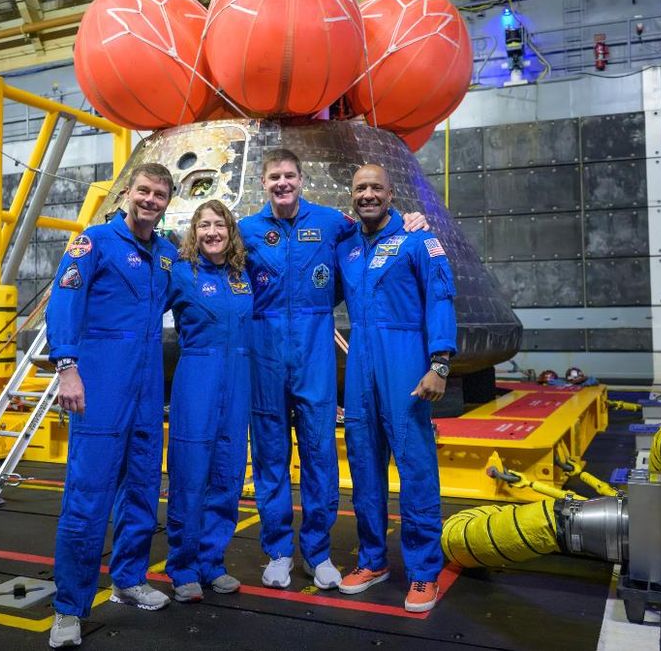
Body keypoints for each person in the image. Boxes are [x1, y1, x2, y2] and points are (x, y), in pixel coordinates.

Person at [238, 149, 427, 590]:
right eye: (274, 178)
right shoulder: (245, 232)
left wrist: (413, 219)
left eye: (289, 175)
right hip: (264, 353)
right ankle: (280, 551)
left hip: (315, 352)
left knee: (320, 456)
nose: (282, 183)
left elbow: (376, 228)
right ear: (263, 183)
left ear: (302, 179)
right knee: (270, 458)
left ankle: (318, 552)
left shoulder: (331, 224)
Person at [46, 163, 177, 648]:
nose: (150, 200)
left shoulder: (166, 254)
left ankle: (128, 578)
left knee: (142, 487)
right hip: (100, 382)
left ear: (167, 202)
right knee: (88, 497)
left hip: (146, 388)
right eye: (144, 191)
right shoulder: (93, 241)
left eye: (159, 194)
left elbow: (208, 275)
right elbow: (64, 302)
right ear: (128, 193)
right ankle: (68, 607)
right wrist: (67, 366)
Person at [335, 164, 457, 613]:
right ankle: (372, 561)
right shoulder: (346, 246)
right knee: (364, 467)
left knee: (415, 466)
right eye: (360, 188)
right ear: (353, 195)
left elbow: (441, 297)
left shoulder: (417, 239)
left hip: (406, 359)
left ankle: (424, 573)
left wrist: (440, 363)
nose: (368, 194)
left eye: (376, 188)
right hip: (361, 361)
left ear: (391, 193)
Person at [164, 200, 253, 603]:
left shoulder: (242, 273)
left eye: (219, 224)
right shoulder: (180, 273)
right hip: (197, 377)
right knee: (190, 473)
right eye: (204, 225)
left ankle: (212, 562)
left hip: (238, 379)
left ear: (230, 230)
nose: (212, 232)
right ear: (193, 231)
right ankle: (182, 567)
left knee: (228, 472)